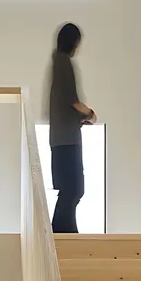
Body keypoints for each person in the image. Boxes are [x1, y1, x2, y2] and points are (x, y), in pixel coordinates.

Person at [48, 23, 96, 234]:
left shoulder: (58, 62)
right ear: (73, 41)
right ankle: (61, 234)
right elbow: (72, 100)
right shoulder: (62, 62)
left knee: (71, 189)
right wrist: (90, 114)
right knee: (74, 189)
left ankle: (64, 233)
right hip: (66, 139)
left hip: (63, 137)